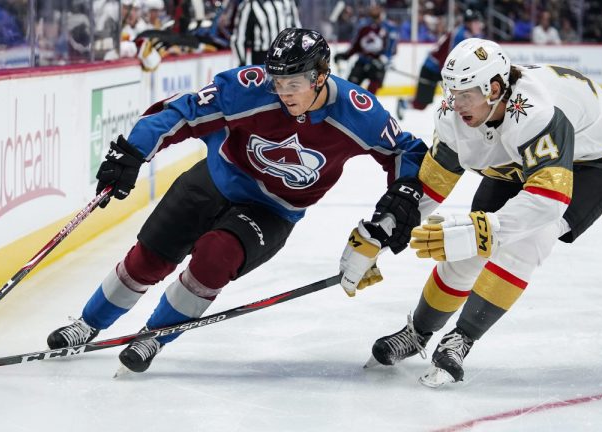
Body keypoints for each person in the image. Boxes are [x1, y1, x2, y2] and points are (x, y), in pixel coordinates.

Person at [46, 28, 429, 374]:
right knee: (150, 258)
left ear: (321, 75)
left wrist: (400, 201)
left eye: (294, 82)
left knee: (215, 258)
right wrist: (134, 150)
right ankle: (88, 324)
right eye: (278, 81)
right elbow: (184, 111)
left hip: (273, 211)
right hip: (215, 179)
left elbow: (405, 152)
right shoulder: (250, 87)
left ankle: (155, 335)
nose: (283, 92)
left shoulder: (358, 113)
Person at [363, 38, 602, 388]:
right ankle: (418, 333)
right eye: (452, 92)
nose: (454, 104)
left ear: (494, 88)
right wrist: (381, 237)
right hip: (520, 157)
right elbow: (431, 186)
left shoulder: (536, 112)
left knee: (527, 240)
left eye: (465, 95)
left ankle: (462, 339)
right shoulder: (456, 111)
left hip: (590, 164)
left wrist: (484, 228)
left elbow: (549, 198)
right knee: (469, 246)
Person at [396, 9, 483, 120]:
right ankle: (403, 103)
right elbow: (451, 58)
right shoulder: (461, 35)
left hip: (441, 69)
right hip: (431, 70)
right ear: (468, 24)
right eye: (476, 23)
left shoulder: (468, 34)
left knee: (461, 96)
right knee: (421, 104)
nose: (479, 26)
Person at [334, 5, 399, 95]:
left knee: (370, 94)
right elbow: (356, 45)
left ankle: (366, 108)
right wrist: (346, 55)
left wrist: (383, 60)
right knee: (349, 89)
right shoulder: (363, 25)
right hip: (362, 61)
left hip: (378, 64)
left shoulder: (389, 27)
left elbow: (392, 49)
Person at [230, 0, 300, 66]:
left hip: (288, 55)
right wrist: (241, 68)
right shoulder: (250, 4)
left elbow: (297, 29)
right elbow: (239, 40)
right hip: (263, 57)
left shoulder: (288, 1)